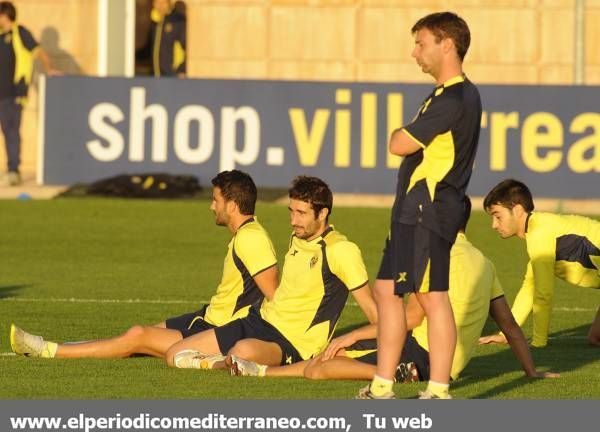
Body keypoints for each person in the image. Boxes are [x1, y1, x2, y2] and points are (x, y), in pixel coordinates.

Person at [228, 198, 559, 383]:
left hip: (422, 356)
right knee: (334, 353)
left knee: (321, 366)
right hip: (448, 364)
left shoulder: (432, 256)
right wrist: (532, 372)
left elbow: (410, 319)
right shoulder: (485, 263)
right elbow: (510, 326)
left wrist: (354, 334)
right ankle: (265, 371)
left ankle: (268, 373)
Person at [10, 170, 279, 359]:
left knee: (138, 335)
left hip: (217, 328)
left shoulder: (251, 239)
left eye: (215, 200)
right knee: (141, 334)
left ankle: (47, 350)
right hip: (210, 316)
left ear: (232, 206)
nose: (211, 206)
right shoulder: (247, 235)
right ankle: (71, 347)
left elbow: (274, 297)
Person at [365, 11, 482, 400]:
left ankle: (439, 389)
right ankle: (382, 385)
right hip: (411, 210)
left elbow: (399, 143)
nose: (415, 52)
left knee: (432, 297)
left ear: (447, 44)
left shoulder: (455, 97)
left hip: (428, 210)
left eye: (421, 43)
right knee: (385, 290)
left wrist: (399, 132)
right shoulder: (444, 95)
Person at [164, 176, 378, 370]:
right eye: (291, 211)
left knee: (242, 351)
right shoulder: (299, 236)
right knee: (175, 354)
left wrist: (361, 344)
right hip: (258, 321)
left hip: (292, 342)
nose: (293, 221)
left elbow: (375, 315)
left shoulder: (341, 251)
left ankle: (231, 363)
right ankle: (230, 365)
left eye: (301, 213)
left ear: (323, 213)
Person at [479, 179, 600, 348]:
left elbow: (544, 294)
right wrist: (506, 334)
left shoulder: (539, 234)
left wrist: (538, 342)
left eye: (498, 216)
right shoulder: (539, 231)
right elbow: (530, 289)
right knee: (596, 338)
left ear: (518, 210)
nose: (494, 225)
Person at [0, 1, 59, 186]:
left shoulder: (20, 33)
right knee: (6, 130)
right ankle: (11, 169)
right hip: (1, 93)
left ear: (5, 15)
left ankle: (13, 170)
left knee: (11, 131)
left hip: (15, 92)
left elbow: (38, 51)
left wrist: (49, 69)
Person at [137, 0, 186, 78]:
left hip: (172, 76)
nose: (160, 6)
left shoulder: (178, 22)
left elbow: (188, 49)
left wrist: (181, 70)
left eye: (163, 2)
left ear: (169, 3)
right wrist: (133, 56)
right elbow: (150, 48)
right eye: (157, 3)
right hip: (156, 76)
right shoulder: (155, 23)